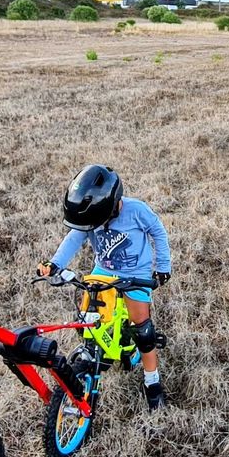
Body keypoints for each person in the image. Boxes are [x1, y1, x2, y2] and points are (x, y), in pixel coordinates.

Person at [37, 164, 172, 410]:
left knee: (143, 329)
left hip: (135, 273)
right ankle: (103, 348)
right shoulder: (88, 220)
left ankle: (152, 380)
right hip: (104, 270)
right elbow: (74, 237)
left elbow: (158, 232)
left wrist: (162, 267)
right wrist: (55, 264)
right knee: (88, 317)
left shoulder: (136, 210)